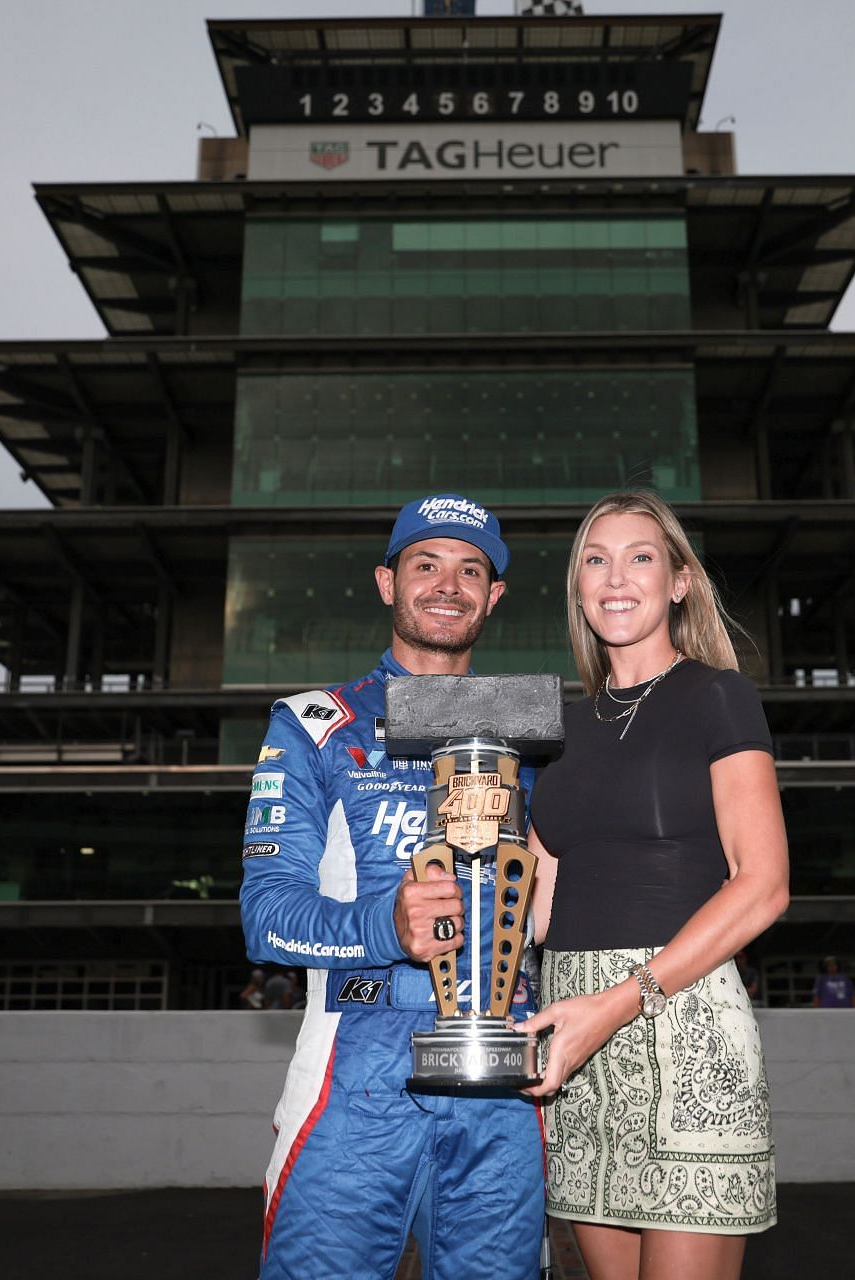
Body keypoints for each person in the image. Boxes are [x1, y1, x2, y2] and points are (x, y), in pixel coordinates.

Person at [238, 493, 543, 1280]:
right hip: (355, 1067)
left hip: (508, 1080)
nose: (449, 584)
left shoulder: (532, 735)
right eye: (427, 565)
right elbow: (265, 918)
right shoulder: (315, 723)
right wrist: (386, 924)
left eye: (471, 569)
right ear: (387, 582)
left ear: (494, 595)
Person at [520, 490, 789, 1280]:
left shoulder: (717, 696)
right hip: (573, 1040)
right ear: (578, 589)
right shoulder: (559, 730)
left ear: (679, 582)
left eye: (640, 556)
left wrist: (618, 1002)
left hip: (683, 1024)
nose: (615, 576)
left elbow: (765, 885)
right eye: (595, 560)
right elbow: (531, 908)